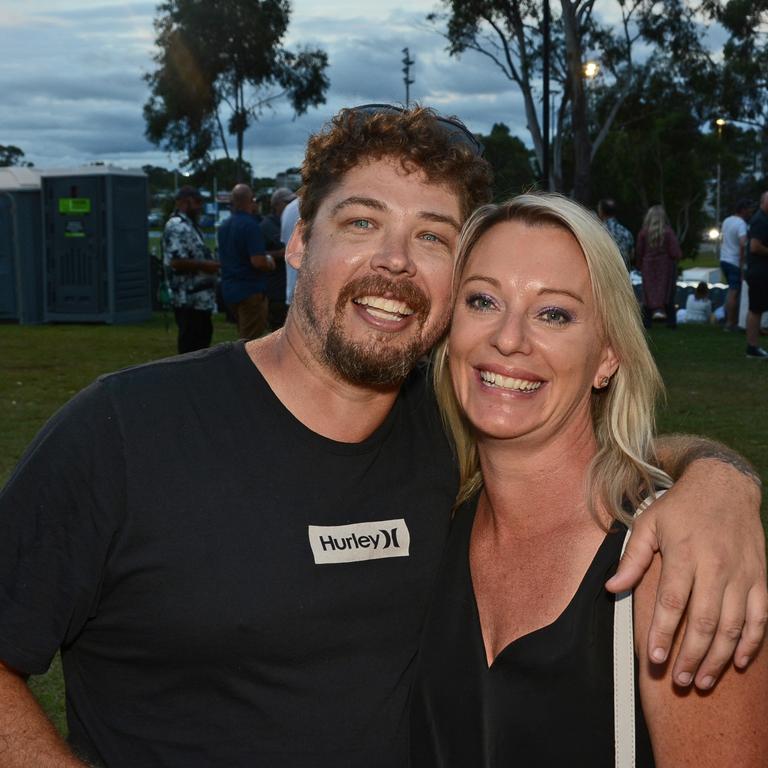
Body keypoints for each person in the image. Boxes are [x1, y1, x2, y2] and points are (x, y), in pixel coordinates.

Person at [0, 106, 764, 768]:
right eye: (362, 222)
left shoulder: (453, 440)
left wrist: (716, 479)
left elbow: (586, 454)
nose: (395, 261)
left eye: (432, 238)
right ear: (298, 241)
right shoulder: (126, 433)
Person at [411, 194, 768, 766]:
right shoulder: (433, 515)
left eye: (554, 313)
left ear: (607, 356)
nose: (508, 338)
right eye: (482, 300)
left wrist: (722, 482)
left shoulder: (671, 563)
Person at [163, 185, 220, 353]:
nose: (200, 207)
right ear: (184, 202)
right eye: (197, 202)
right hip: (187, 300)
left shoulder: (191, 225)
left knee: (202, 342)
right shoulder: (176, 226)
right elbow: (176, 262)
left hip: (200, 300)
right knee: (190, 346)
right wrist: (206, 265)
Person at [217, 183, 276, 340]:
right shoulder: (251, 226)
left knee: (243, 333)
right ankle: (241, 365)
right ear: (250, 200)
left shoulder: (224, 226)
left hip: (229, 289)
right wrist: (269, 263)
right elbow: (257, 261)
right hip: (250, 290)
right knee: (250, 341)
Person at [636, 205, 682, 329]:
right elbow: (675, 252)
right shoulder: (668, 232)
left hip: (648, 266)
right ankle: (671, 322)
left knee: (648, 294)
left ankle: (647, 322)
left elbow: (639, 251)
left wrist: (639, 264)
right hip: (665, 267)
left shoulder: (644, 233)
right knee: (667, 294)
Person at [260, 187, 296, 330]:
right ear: (276, 205)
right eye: (286, 202)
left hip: (285, 284)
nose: (290, 205)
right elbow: (258, 254)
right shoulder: (266, 226)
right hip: (276, 288)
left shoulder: (287, 219)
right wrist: (280, 253)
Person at [720, 198, 753, 331]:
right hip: (734, 261)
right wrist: (742, 263)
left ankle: (728, 319)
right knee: (734, 292)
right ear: (743, 210)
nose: (751, 211)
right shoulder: (741, 224)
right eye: (749, 209)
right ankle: (730, 322)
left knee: (731, 290)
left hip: (724, 259)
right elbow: (743, 244)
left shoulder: (727, 220)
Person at [745, 191, 768, 358]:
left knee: (757, 309)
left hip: (761, 271)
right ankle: (752, 347)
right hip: (759, 272)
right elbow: (755, 246)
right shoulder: (760, 220)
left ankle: (753, 346)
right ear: (763, 202)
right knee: (756, 309)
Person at [597, 197, 634, 269]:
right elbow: (632, 255)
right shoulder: (626, 232)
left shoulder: (597, 232)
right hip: (623, 273)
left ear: (601, 211)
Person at [281, 194, 301, 306]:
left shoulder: (289, 209)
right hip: (318, 296)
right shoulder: (325, 204)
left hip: (293, 290)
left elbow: (286, 248)